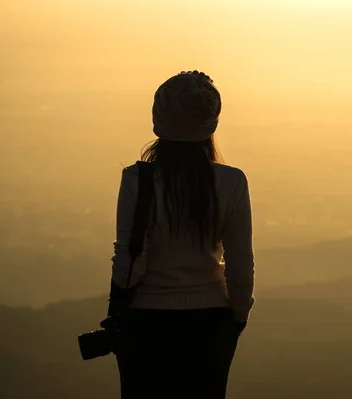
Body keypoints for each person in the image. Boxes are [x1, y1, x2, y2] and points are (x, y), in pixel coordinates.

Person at [108, 70, 255, 399]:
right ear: (211, 122)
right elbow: (240, 266)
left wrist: (118, 312)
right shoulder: (232, 182)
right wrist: (238, 316)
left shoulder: (137, 180)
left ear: (158, 120)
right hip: (212, 322)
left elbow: (130, 260)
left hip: (146, 323)